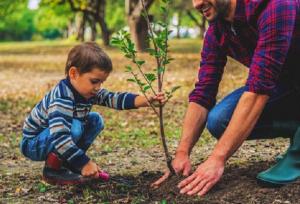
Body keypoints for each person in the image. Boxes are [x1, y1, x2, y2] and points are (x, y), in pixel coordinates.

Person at [153, 0, 300, 197]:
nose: (196, 4)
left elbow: (258, 91)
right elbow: (203, 92)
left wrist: (217, 158)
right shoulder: (219, 30)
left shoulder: (276, 5)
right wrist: (182, 152)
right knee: (220, 120)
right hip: (289, 83)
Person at [20, 42, 166, 185]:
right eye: (94, 81)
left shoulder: (87, 91)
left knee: (95, 120)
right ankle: (52, 170)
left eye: (101, 82)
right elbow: (59, 136)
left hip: (55, 137)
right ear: (73, 73)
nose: (98, 87)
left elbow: (113, 98)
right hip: (33, 143)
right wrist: (84, 163)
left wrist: (145, 100)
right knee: (75, 127)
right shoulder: (62, 98)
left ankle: (69, 163)